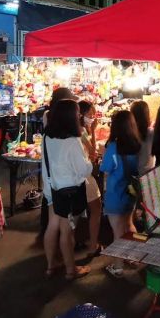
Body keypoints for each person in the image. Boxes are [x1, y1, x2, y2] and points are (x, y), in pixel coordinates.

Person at [41, 99, 93, 280]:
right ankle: (71, 270)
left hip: (52, 189)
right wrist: (90, 163)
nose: (79, 115)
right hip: (70, 192)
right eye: (77, 112)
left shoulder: (47, 136)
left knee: (52, 226)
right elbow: (83, 170)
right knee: (67, 231)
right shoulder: (73, 141)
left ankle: (50, 266)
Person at [101, 110, 141, 278]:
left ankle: (117, 267)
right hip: (131, 192)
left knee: (117, 230)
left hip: (115, 194)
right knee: (129, 225)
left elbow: (105, 169)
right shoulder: (137, 145)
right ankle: (133, 256)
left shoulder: (113, 147)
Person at [78, 100, 102, 257]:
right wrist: (93, 131)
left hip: (77, 176)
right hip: (85, 175)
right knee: (96, 208)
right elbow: (93, 153)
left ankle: (80, 240)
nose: (92, 117)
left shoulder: (80, 129)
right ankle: (93, 245)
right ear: (81, 114)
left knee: (79, 211)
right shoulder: (80, 131)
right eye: (90, 114)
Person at [131, 100, 155, 176]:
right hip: (149, 176)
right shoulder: (152, 133)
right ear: (147, 114)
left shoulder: (128, 133)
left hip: (132, 177)